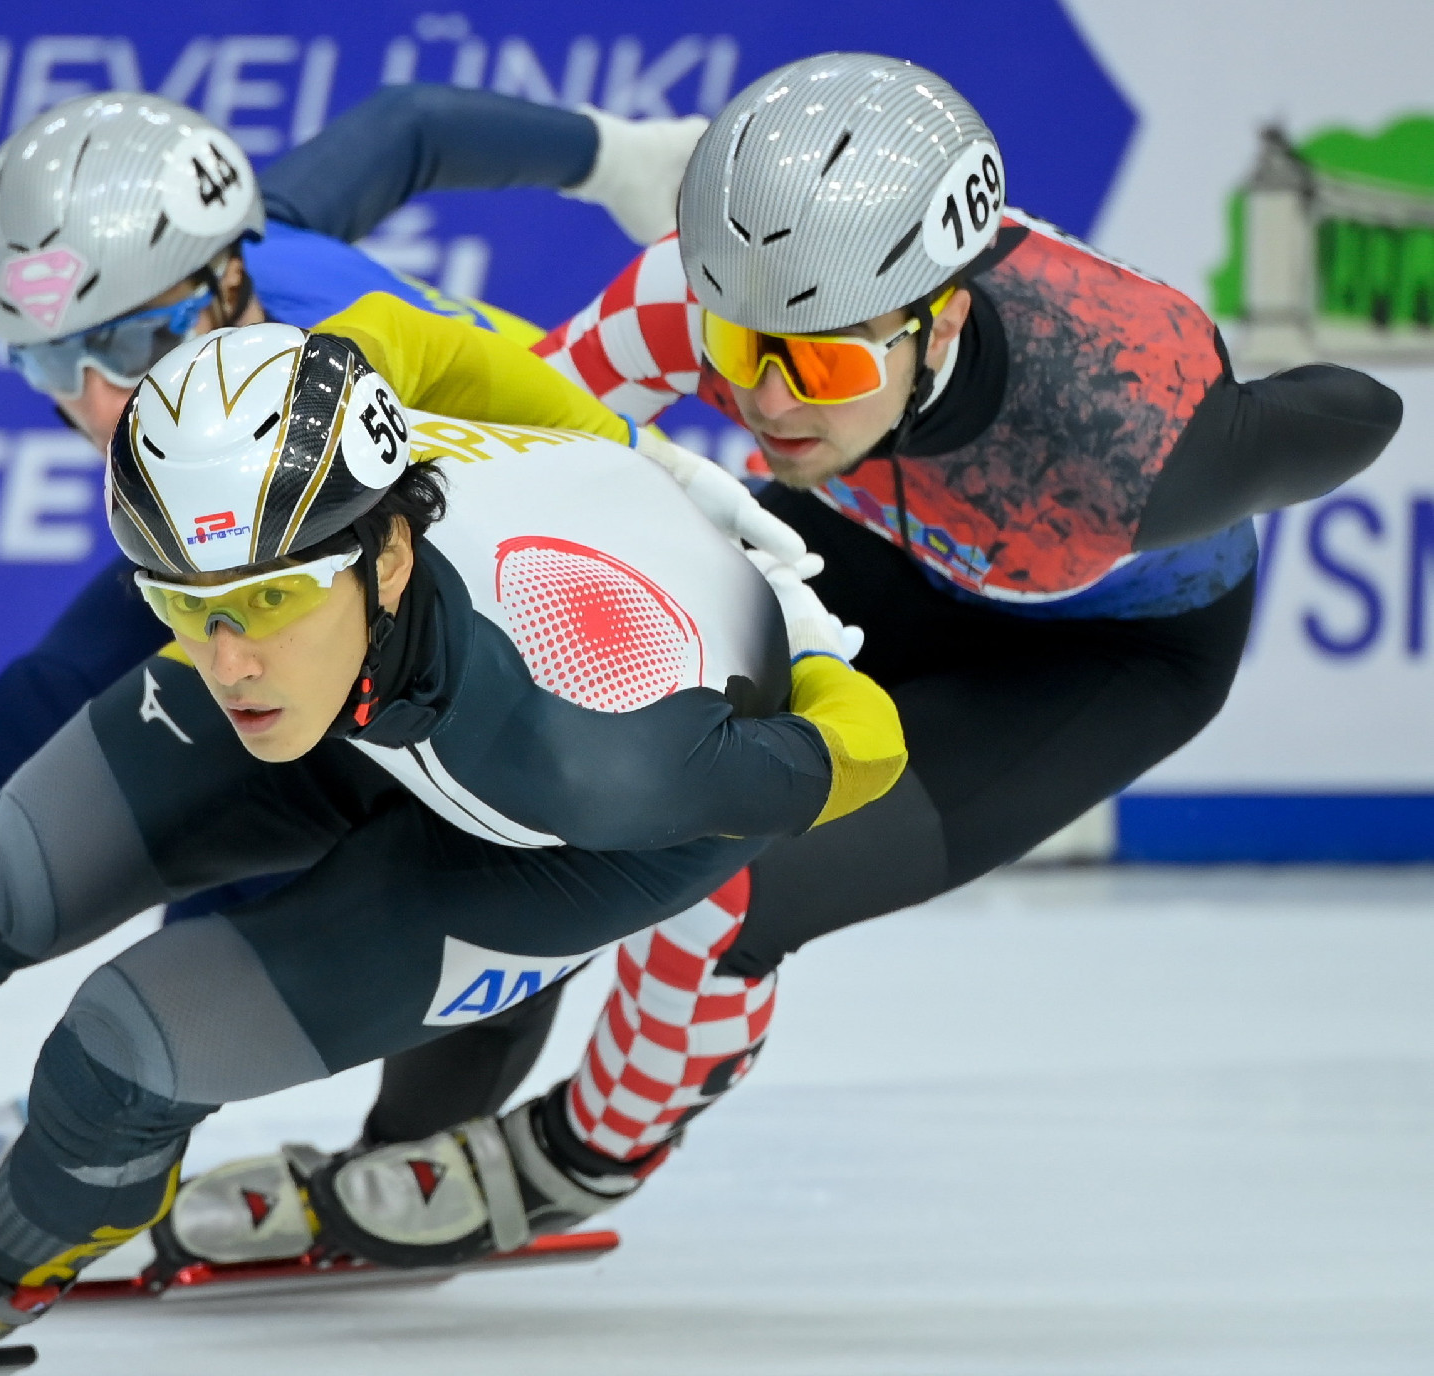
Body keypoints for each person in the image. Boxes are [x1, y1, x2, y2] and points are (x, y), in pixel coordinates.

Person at [0, 324, 903, 1375]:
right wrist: (613, 442)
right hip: (397, 683)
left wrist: (810, 634)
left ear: (387, 555)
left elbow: (864, 755)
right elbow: (423, 343)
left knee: (128, 1047)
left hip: (559, 831)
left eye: (262, 602)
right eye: (182, 601)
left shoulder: (595, 745)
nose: (226, 655)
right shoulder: (301, 504)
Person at [298, 50, 1405, 1226]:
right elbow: (478, 446)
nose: (768, 401)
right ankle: (405, 1136)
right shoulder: (692, 296)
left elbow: (1361, 410)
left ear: (942, 323)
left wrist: (1229, 442)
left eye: (816, 361)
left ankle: (577, 1157)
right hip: (868, 549)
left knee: (722, 885)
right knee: (535, 767)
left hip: (1100, 656)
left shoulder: (1134, 435)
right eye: (737, 352)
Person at [0, 84, 803, 1203]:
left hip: (533, 560)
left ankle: (377, 1143)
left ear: (223, 282)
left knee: (464, 840)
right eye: (47, 365)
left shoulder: (322, 356)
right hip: (275, 533)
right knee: (38, 706)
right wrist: (616, 158)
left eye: (126, 346)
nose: (94, 402)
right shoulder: (249, 237)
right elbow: (404, 129)